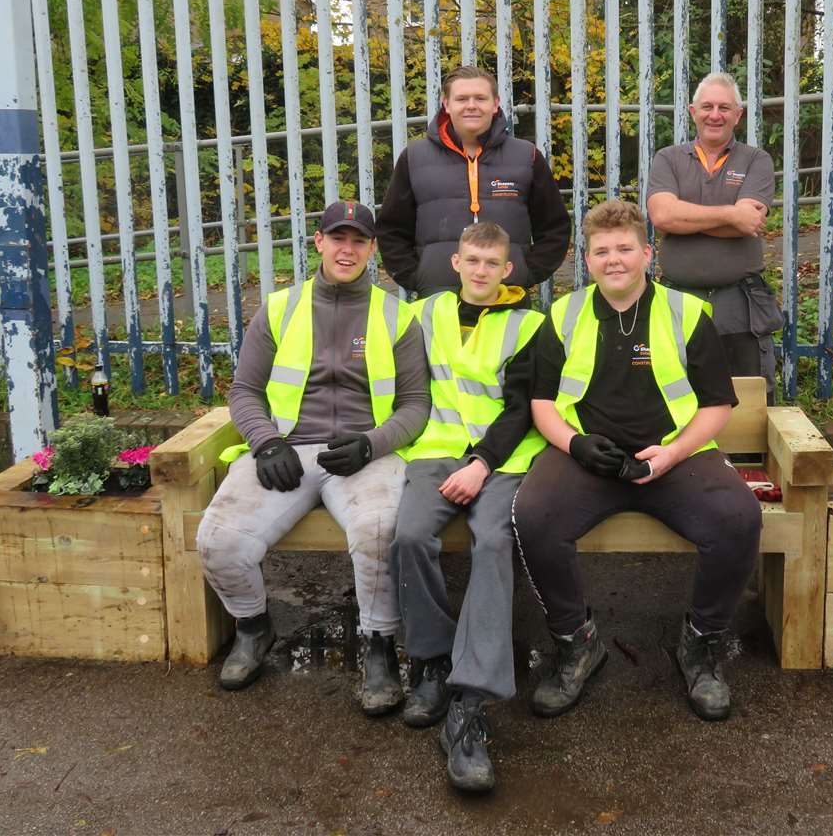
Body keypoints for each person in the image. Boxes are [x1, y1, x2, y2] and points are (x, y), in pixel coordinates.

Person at [512, 200, 762, 722]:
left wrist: (673, 453)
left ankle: (700, 644)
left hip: (671, 454)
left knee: (738, 517)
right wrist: (574, 444)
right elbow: (541, 403)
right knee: (533, 514)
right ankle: (577, 642)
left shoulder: (687, 313)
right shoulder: (563, 314)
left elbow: (717, 404)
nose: (614, 259)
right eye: (602, 251)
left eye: (625, 248)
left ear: (648, 254)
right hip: (589, 457)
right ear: (587, 259)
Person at [195, 201, 429, 715]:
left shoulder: (397, 315)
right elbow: (244, 390)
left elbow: (416, 405)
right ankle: (253, 627)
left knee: (378, 532)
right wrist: (265, 442)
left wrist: (374, 443)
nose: (348, 250)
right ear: (318, 242)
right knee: (218, 540)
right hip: (287, 452)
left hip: (365, 454)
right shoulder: (279, 308)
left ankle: (379, 647)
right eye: (337, 238)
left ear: (372, 251)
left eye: (359, 242)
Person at [390, 221, 547, 793]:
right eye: (471, 261)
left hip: (502, 461)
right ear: (455, 264)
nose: (480, 271)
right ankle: (431, 661)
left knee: (494, 542)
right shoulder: (422, 315)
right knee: (408, 537)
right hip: (432, 452)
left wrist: (481, 462)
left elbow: (523, 408)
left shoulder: (530, 325)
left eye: (492, 263)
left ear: (508, 271)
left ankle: (470, 701)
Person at [646, 72, 783, 401]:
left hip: (740, 303)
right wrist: (730, 213)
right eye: (707, 106)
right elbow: (662, 215)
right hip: (678, 300)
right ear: (693, 111)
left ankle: (747, 457)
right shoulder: (668, 158)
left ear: (738, 115)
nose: (715, 114)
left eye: (724, 107)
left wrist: (685, 217)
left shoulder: (756, 160)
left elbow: (749, 221)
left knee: (748, 398)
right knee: (679, 395)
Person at [376, 65, 571, 296]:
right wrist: (417, 276)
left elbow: (554, 226)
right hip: (437, 299)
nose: (471, 105)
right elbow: (391, 229)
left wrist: (526, 272)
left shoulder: (526, 156)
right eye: (462, 98)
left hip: (506, 297)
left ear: (495, 103)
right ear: (446, 104)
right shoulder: (415, 157)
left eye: (480, 98)